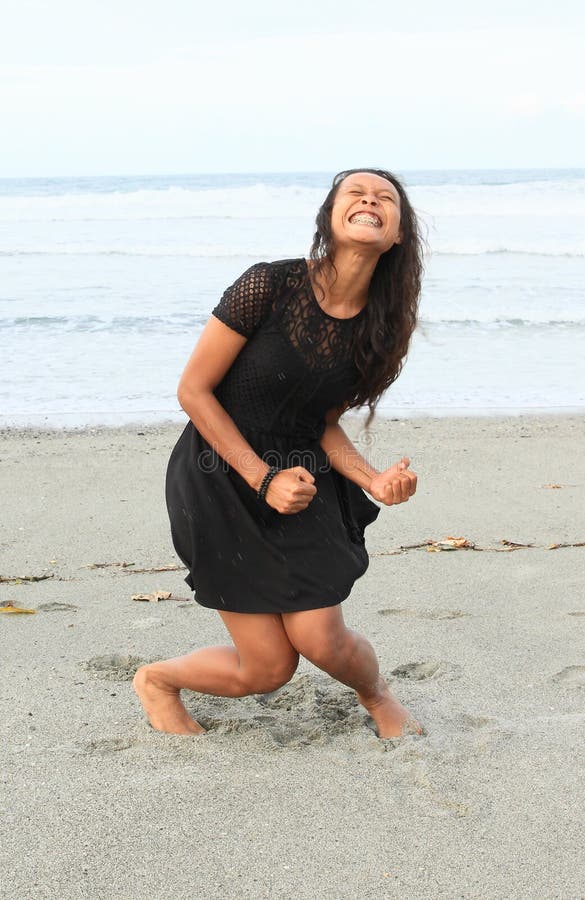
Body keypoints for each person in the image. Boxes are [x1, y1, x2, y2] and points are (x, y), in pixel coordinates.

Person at [133, 168, 424, 738]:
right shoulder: (268, 285)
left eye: (386, 198)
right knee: (267, 669)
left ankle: (376, 693)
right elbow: (193, 390)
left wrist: (373, 480)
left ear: (397, 236)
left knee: (321, 639)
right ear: (329, 218)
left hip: (304, 479)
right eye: (356, 193)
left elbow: (323, 423)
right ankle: (158, 680)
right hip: (219, 476)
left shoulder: (383, 331)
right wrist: (262, 478)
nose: (370, 200)